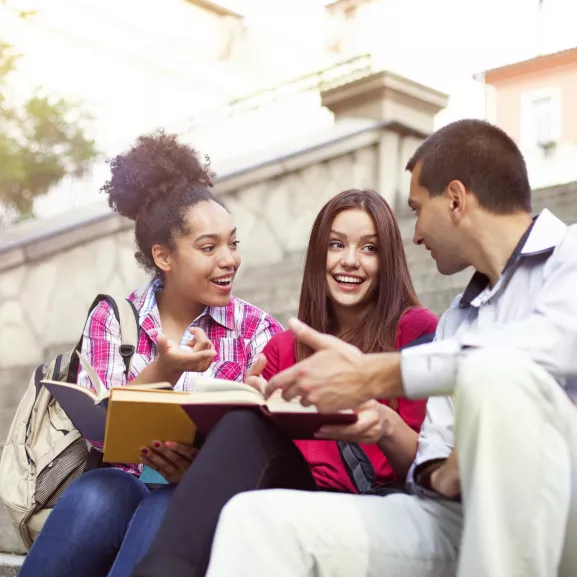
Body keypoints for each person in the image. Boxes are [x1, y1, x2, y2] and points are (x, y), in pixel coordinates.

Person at [203, 119, 577, 577]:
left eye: (418, 209)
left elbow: (552, 345)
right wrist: (448, 467)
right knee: (256, 520)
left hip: (565, 514)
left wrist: (379, 373)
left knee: (499, 377)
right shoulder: (459, 318)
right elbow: (433, 461)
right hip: (458, 519)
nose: (416, 234)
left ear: (456, 200)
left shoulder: (570, 254)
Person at [131, 189, 438, 577]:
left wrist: (377, 418)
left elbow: (431, 468)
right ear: (317, 255)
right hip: (299, 496)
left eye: (369, 248)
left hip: (381, 503)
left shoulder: (417, 330)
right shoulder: (280, 349)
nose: (349, 261)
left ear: (388, 259)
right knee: (243, 423)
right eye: (336, 244)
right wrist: (254, 413)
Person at [17, 130, 283, 577]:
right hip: (119, 482)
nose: (229, 259)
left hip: (204, 496)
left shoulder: (257, 330)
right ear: (163, 255)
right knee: (97, 493)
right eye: (209, 247)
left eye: (233, 243)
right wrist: (165, 368)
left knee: (167, 508)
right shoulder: (114, 318)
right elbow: (98, 433)